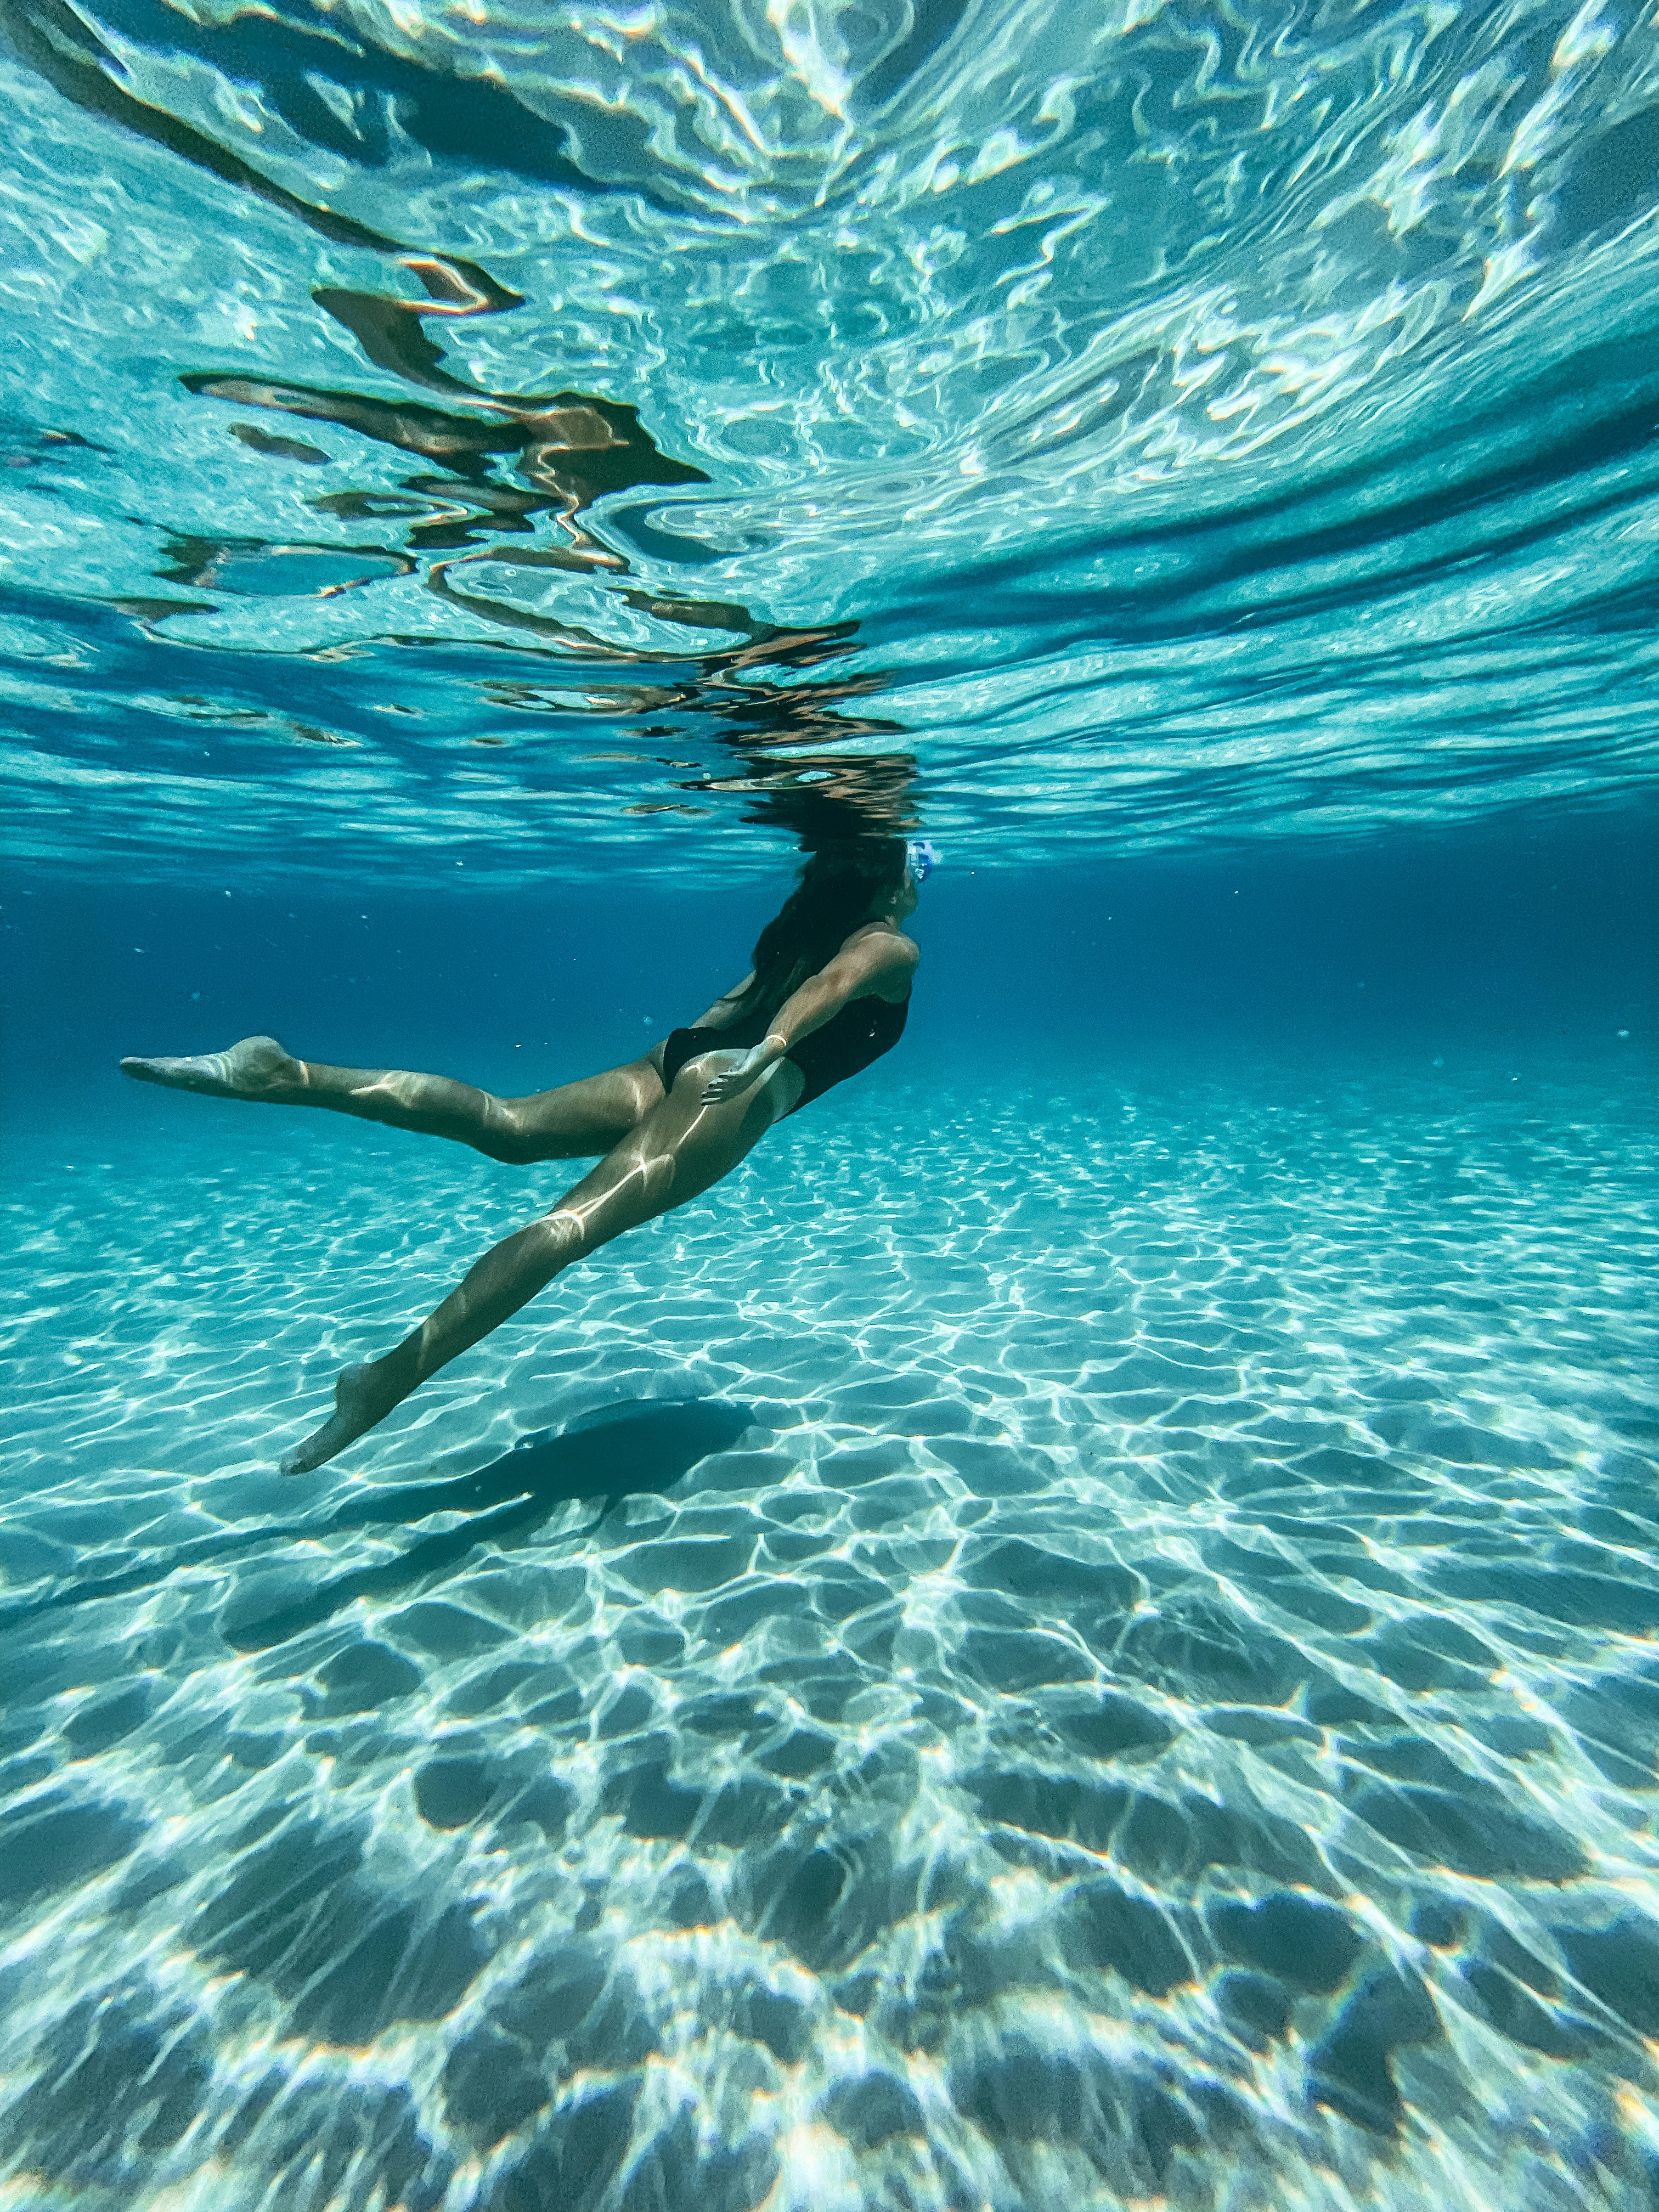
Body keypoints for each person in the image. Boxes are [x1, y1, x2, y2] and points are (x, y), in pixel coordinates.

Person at [121, 836, 934, 1474]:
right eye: (920, 863)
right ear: (890, 879)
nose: (924, 877)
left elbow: (735, 1007)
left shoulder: (800, 934)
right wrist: (769, 1054)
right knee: (570, 1229)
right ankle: (385, 1383)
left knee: (507, 1127)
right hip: (737, 1079)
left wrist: (701, 1060)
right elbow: (833, 990)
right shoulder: (889, 943)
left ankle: (282, 1072)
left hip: (683, 1057)